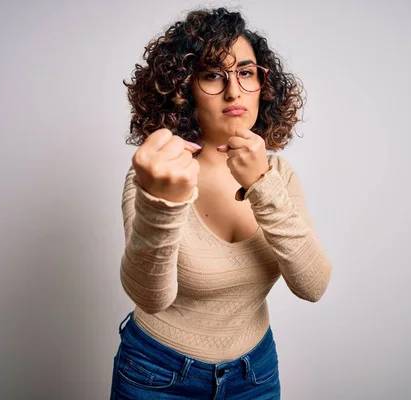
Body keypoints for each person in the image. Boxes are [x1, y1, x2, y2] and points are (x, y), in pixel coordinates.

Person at [110, 7, 332, 399]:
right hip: (157, 375)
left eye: (246, 73)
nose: (234, 91)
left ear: (264, 85)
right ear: (182, 87)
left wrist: (263, 184)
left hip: (254, 375)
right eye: (213, 74)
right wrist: (164, 203)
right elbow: (150, 297)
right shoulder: (157, 173)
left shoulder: (279, 174)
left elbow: (313, 285)